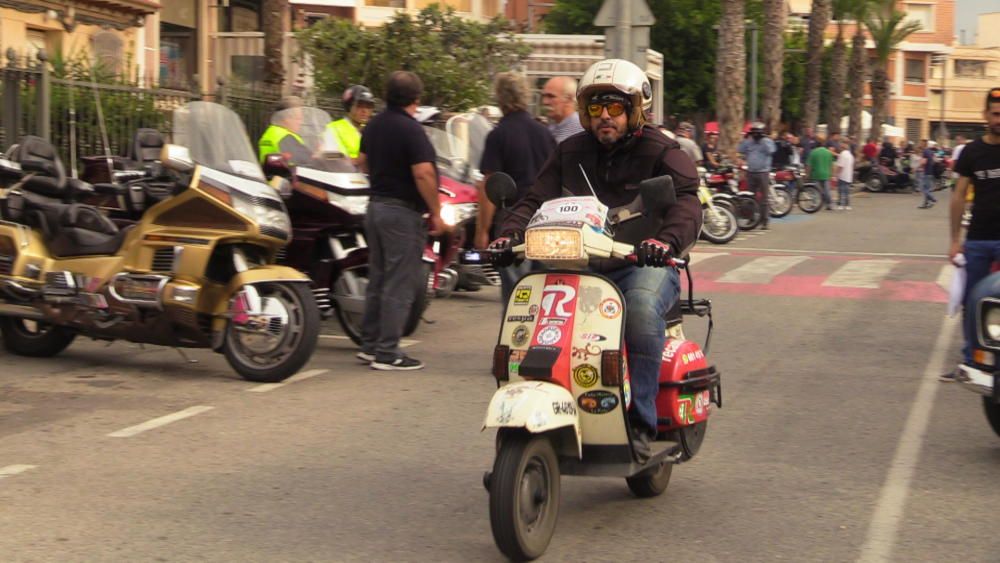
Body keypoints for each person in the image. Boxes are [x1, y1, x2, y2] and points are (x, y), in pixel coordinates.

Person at [491, 59, 702, 462]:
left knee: (639, 310)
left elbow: (689, 202)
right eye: (595, 108)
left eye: (615, 107)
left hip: (642, 264)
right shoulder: (571, 151)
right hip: (578, 262)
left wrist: (665, 242)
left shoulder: (663, 151)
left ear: (636, 108)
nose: (604, 116)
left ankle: (640, 421)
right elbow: (535, 199)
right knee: (528, 312)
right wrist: (508, 233)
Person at [356, 71, 444, 371]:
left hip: (375, 206)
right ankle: (388, 352)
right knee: (399, 282)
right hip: (401, 213)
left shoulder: (375, 124)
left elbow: (362, 162)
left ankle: (369, 345)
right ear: (416, 100)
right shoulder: (411, 130)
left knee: (378, 279)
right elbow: (423, 173)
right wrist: (435, 210)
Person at [474, 72, 556, 302]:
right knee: (544, 292)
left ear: (500, 98)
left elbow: (491, 187)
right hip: (545, 221)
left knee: (516, 296)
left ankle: (516, 336)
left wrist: (482, 231)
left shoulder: (498, 136)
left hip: (512, 222)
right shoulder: (544, 134)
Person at [949, 88, 1000, 380]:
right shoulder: (972, 152)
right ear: (985, 116)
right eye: (995, 114)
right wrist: (955, 240)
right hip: (979, 238)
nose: (999, 120)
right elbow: (958, 197)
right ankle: (971, 359)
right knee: (973, 300)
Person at [738, 122, 776, 229]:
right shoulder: (749, 142)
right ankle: (751, 219)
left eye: (757, 132)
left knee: (764, 198)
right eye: (753, 132)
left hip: (763, 172)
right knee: (750, 196)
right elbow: (740, 150)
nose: (755, 134)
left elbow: (771, 151)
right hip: (751, 172)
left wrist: (764, 140)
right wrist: (744, 139)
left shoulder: (767, 142)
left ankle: (765, 221)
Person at [327, 85, 376, 162]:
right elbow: (329, 156)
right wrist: (357, 161)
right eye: (360, 105)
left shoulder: (371, 130)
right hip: (345, 172)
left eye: (369, 106)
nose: (365, 110)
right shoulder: (334, 128)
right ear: (348, 107)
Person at [257, 96, 311, 165]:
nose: (301, 122)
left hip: (273, 173)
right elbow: (306, 160)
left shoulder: (271, 132)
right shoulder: (286, 137)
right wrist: (319, 154)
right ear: (286, 117)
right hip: (287, 174)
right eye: (298, 118)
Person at [540, 76, 585, 143]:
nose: (545, 102)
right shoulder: (551, 128)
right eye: (544, 96)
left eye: (551, 96)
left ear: (568, 98)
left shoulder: (581, 130)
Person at [806, 135, 835, 210]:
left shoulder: (813, 153)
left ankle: (814, 204)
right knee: (827, 190)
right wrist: (832, 175)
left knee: (814, 190)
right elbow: (831, 165)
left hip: (815, 174)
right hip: (826, 174)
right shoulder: (828, 153)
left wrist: (807, 175)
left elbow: (809, 165)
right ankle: (829, 204)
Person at [834, 139, 855, 210]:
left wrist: (836, 174)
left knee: (841, 190)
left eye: (841, 143)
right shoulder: (850, 155)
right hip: (848, 176)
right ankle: (847, 205)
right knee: (847, 191)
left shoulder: (843, 154)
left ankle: (840, 204)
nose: (840, 145)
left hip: (842, 176)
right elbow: (852, 166)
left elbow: (840, 166)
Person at [918, 139, 938, 209]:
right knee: (927, 188)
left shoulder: (925, 151)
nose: (919, 144)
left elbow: (924, 162)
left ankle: (933, 199)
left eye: (920, 143)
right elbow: (935, 160)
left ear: (924, 144)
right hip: (931, 172)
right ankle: (926, 204)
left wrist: (918, 167)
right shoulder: (930, 151)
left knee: (924, 189)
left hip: (926, 172)